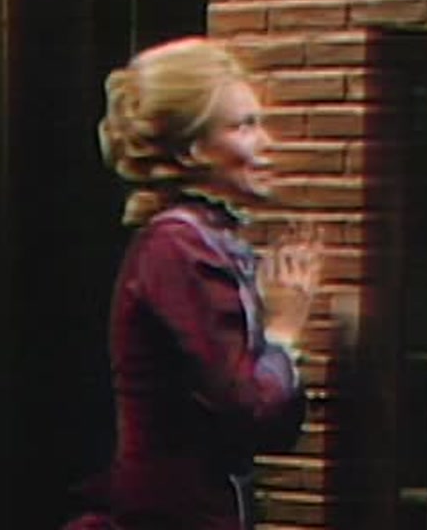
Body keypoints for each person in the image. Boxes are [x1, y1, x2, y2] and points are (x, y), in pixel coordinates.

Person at [69, 36, 318, 530]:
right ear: (192, 148)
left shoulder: (206, 242)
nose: (267, 143)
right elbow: (250, 409)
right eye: (244, 126)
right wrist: (284, 332)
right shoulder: (178, 249)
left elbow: (271, 428)